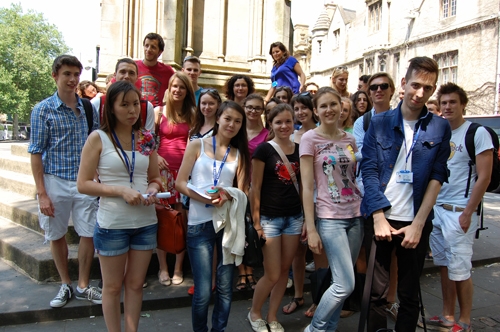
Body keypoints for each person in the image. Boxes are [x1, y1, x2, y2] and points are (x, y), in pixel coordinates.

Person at [360, 56, 452, 332]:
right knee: (375, 294)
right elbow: (370, 170)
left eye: (428, 88)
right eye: (416, 85)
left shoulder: (439, 126)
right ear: (403, 83)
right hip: (381, 216)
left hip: (416, 221)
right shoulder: (379, 123)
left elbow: (438, 176)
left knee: (410, 294)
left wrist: (419, 224)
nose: (420, 93)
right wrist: (377, 216)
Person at [77, 81, 162, 332]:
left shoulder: (146, 138)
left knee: (135, 285)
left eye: (136, 104)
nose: (132, 110)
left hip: (145, 223)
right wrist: (120, 190)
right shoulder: (99, 138)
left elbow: (155, 177)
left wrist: (153, 189)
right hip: (113, 224)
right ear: (111, 108)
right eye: (124, 104)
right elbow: (83, 184)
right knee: (112, 287)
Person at [28, 55, 102, 308]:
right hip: (55, 180)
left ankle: (82, 285)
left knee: (88, 232)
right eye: (67, 74)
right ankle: (65, 284)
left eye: (76, 75)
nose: (72, 79)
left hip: (84, 181)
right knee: (56, 234)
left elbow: (96, 143)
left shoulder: (87, 108)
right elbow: (36, 152)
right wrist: (42, 193)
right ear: (55, 76)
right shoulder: (42, 110)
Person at [176, 100, 251, 332]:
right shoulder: (197, 145)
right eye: (228, 118)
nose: (232, 124)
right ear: (217, 118)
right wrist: (204, 198)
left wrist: (228, 195)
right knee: (202, 290)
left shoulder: (239, 154)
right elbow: (180, 183)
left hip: (227, 225)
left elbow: (243, 192)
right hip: (199, 224)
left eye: (238, 121)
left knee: (226, 287)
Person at [427, 83, 493, 332]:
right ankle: (447, 315)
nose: (447, 107)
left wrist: (468, 212)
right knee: (444, 265)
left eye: (452, 102)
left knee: (461, 269)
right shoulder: (441, 132)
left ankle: (465, 321)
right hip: (438, 211)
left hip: (459, 212)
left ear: (463, 104)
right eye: (443, 103)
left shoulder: (476, 132)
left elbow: (484, 177)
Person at [300, 87, 363, 332]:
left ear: (341, 107)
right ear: (316, 111)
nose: (329, 110)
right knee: (345, 285)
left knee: (340, 281)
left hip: (356, 215)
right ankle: (314, 329)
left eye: (333, 104)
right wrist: (312, 227)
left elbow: (352, 176)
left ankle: (329, 329)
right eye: (323, 106)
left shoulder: (349, 138)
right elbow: (307, 187)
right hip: (330, 217)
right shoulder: (310, 138)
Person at [248, 103, 303, 332]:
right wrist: (257, 222)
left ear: (293, 123)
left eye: (288, 121)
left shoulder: (300, 149)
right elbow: (255, 188)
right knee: (271, 273)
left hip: (294, 218)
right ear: (270, 123)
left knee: (283, 271)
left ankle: (272, 316)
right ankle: (255, 312)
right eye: (278, 122)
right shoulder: (264, 150)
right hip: (270, 219)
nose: (284, 126)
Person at [282, 92, 325, 318]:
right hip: (297, 198)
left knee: (318, 250)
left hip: (321, 199)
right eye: (296, 108)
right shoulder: (292, 134)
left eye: (304, 108)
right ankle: (298, 295)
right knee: (298, 251)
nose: (300, 112)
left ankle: (319, 300)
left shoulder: (322, 132)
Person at [155, 72, 196, 286]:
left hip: (184, 171)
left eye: (182, 87)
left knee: (181, 220)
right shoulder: (159, 112)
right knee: (162, 218)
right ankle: (163, 268)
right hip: (162, 172)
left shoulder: (192, 114)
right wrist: (156, 155)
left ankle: (178, 267)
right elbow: (148, 141)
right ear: (168, 89)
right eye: (174, 86)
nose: (177, 90)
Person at [235, 93, 269, 291]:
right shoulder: (236, 130)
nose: (253, 111)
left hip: (258, 186)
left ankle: (252, 270)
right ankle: (242, 272)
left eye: (257, 108)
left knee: (253, 229)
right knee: (238, 228)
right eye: (250, 107)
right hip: (236, 184)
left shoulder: (267, 134)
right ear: (244, 107)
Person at [91, 58, 155, 132]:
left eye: (131, 73)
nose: (127, 76)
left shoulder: (147, 107)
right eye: (123, 72)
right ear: (115, 75)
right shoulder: (98, 103)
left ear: (137, 77)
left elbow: (149, 138)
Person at [135, 32, 175, 107]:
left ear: (160, 52)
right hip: (135, 112)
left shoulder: (168, 71)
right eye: (146, 46)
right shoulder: (133, 66)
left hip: (157, 114)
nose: (148, 49)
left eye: (153, 47)